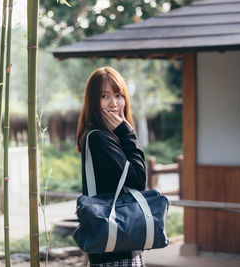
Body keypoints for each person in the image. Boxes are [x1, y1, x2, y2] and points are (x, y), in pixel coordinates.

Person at [76, 67, 147, 266]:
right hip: (115, 250)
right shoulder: (99, 138)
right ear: (93, 101)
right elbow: (139, 180)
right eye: (105, 96)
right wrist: (128, 133)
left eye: (118, 95)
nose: (114, 103)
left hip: (120, 243)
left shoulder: (108, 136)